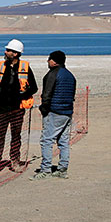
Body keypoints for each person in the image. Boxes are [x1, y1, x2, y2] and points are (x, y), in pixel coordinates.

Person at [0, 38, 37, 173]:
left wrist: (23, 94)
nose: (6, 52)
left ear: (15, 53)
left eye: (8, 50)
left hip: (17, 109)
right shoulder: (2, 66)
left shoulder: (25, 68)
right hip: (2, 109)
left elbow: (34, 87)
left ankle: (15, 161)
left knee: (16, 136)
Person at [34, 49, 77, 178]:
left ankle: (45, 170)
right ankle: (63, 169)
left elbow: (46, 94)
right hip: (67, 112)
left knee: (47, 140)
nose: (48, 61)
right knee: (63, 141)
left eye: (49, 59)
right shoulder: (70, 75)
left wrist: (44, 109)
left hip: (54, 112)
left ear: (54, 62)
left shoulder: (53, 74)